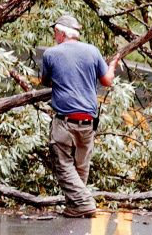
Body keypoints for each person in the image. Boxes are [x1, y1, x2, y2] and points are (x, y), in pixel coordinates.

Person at [40, 15, 119, 218]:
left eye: (55, 32)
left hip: (64, 122)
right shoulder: (92, 51)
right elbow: (107, 81)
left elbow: (45, 81)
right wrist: (112, 66)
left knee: (64, 166)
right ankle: (75, 206)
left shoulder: (51, 53)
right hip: (88, 122)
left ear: (62, 33)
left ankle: (83, 203)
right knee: (80, 166)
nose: (54, 36)